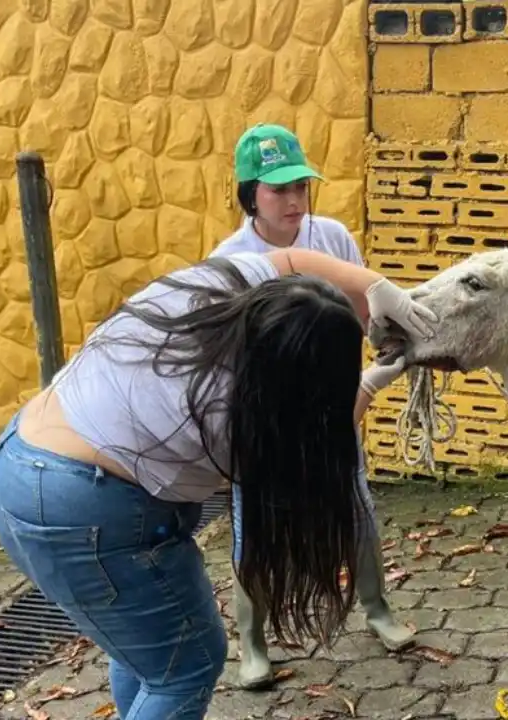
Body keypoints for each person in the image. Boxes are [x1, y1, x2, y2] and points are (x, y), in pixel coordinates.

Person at [0, 246, 437, 719]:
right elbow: (303, 461)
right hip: (87, 510)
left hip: (19, 460)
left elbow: (286, 260)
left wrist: (372, 286)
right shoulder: (228, 415)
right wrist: (367, 386)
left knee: (146, 657)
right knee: (186, 666)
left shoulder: (207, 294)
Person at [207, 123, 416, 688]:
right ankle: (251, 644)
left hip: (331, 408)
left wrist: (383, 361)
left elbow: (367, 315)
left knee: (358, 508)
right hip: (265, 421)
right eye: (279, 189)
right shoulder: (229, 261)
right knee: (254, 527)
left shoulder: (333, 237)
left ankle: (377, 611)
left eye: (300, 184)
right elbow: (227, 356)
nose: (295, 199)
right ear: (251, 194)